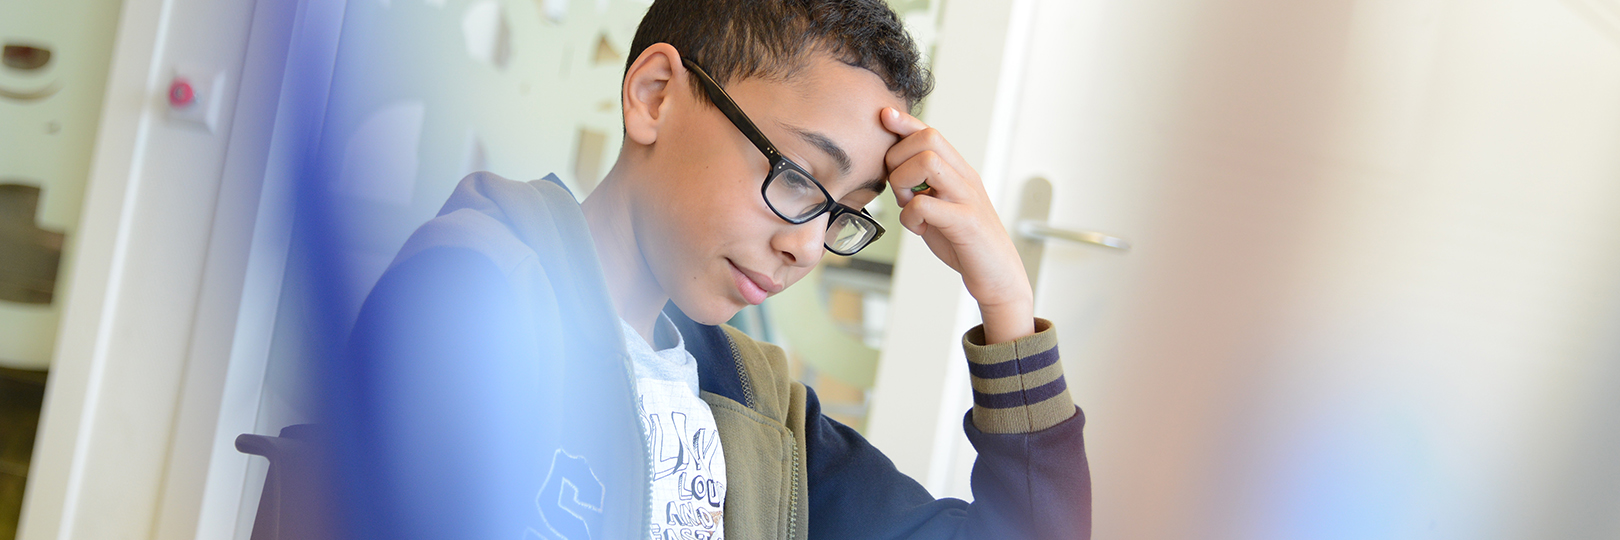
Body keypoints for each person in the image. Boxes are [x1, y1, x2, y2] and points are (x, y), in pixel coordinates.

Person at [344, 0, 1089, 538]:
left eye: (844, 213)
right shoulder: (477, 295)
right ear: (655, 96)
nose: (807, 247)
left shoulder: (759, 410)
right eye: (798, 178)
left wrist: (1004, 298)